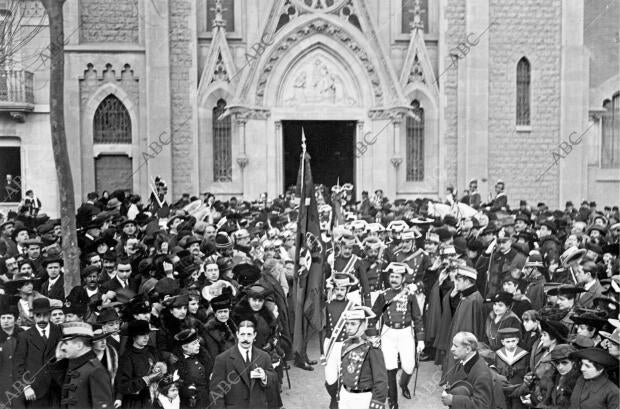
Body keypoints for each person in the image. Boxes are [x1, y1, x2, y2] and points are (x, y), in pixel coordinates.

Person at [371, 262, 424, 407]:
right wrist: (373, 335)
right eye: (392, 276)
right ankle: (393, 402)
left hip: (406, 333)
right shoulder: (383, 295)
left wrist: (420, 340)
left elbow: (417, 318)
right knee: (390, 368)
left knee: (409, 366)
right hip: (388, 334)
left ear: (403, 278)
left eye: (397, 277)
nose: (393, 279)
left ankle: (403, 384)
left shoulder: (410, 295)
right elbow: (373, 317)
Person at [208, 318, 277, 409]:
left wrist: (265, 376)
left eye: (249, 335)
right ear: (237, 335)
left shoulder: (264, 356)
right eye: (242, 334)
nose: (245, 339)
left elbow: (274, 380)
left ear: (254, 335)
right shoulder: (222, 359)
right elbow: (216, 393)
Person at [14, 298, 64, 409]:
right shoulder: (25, 337)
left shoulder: (59, 332)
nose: (42, 319)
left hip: (57, 389)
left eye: (45, 315)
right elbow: (18, 365)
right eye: (38, 315)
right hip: (35, 391)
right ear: (33, 315)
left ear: (50, 314)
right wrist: (26, 387)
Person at [337, 305, 387, 409]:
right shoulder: (345, 344)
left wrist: (376, 403)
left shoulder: (372, 348)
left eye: (353, 324)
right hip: (345, 394)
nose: (348, 327)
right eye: (347, 324)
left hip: (362, 398)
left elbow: (381, 380)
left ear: (364, 325)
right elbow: (343, 372)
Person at [57, 321, 114, 409]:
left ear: (79, 345)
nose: (62, 347)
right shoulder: (76, 365)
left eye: (66, 343)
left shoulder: (96, 370)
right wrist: (58, 357)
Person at [322, 272, 358, 409]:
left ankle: (337, 400)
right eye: (337, 289)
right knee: (330, 378)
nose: (339, 292)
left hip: (346, 345)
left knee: (345, 375)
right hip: (330, 344)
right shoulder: (327, 305)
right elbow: (321, 327)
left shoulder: (353, 306)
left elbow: (357, 328)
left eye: (342, 289)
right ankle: (334, 395)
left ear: (347, 290)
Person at [115, 320, 165, 409]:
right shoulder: (127, 357)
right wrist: (146, 379)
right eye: (142, 334)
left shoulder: (152, 351)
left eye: (147, 334)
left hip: (154, 400)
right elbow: (122, 385)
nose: (146, 337)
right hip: (136, 403)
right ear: (134, 337)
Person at [441, 331, 493, 409]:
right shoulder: (464, 360)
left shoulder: (482, 374)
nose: (452, 349)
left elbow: (482, 405)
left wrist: (453, 400)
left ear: (468, 349)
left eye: (456, 346)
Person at [173, 329, 213, 409]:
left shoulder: (204, 356)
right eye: (194, 344)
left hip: (209, 399)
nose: (198, 345)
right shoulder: (176, 363)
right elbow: (175, 385)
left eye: (198, 342)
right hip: (191, 403)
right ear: (184, 347)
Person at [493, 328, 529, 409]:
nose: (511, 344)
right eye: (508, 341)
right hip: (503, 390)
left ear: (517, 340)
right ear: (502, 342)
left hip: (519, 390)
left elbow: (528, 373)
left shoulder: (524, 355)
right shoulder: (498, 355)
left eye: (513, 341)